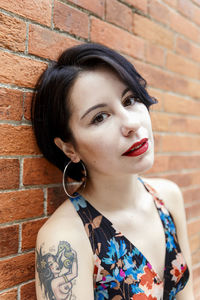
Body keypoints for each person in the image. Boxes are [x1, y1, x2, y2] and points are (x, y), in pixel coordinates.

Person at [32, 43, 194, 299]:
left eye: (130, 100)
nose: (131, 123)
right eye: (99, 117)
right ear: (69, 148)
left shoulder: (168, 198)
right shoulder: (65, 240)